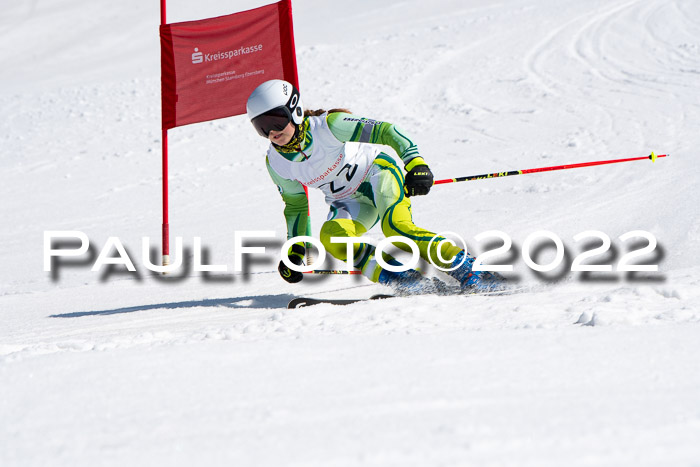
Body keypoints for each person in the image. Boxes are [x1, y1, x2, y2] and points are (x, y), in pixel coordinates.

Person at [246, 79, 500, 293]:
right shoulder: (277, 163)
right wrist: (296, 249)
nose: (272, 132)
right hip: (347, 201)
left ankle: (473, 270)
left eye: (276, 121)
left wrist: (415, 163)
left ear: (295, 111)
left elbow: (387, 131)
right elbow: (296, 206)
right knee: (333, 239)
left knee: (396, 228)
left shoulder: (330, 126)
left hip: (377, 174)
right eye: (262, 127)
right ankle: (404, 279)